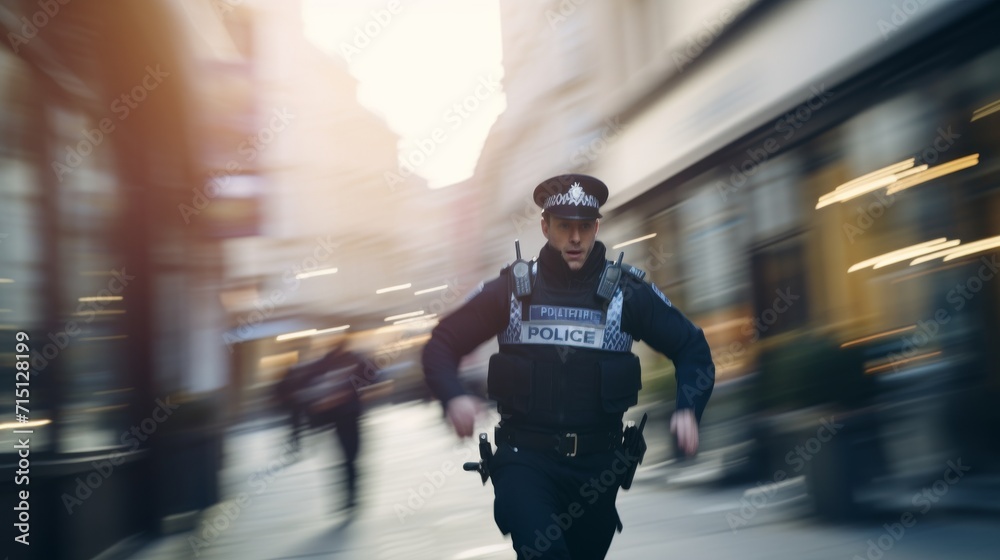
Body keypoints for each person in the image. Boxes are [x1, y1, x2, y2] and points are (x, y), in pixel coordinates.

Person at [422, 174, 715, 559]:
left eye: (585, 226)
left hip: (598, 470)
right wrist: (453, 396)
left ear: (597, 226)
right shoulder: (513, 289)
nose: (575, 238)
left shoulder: (626, 293)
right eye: (564, 226)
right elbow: (442, 343)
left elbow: (692, 347)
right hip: (525, 462)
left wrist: (688, 409)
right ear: (545, 227)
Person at [290, 337, 366, 510]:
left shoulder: (338, 361)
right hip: (346, 416)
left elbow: (305, 383)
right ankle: (351, 495)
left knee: (349, 457)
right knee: (350, 457)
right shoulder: (344, 361)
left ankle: (350, 495)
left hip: (344, 416)